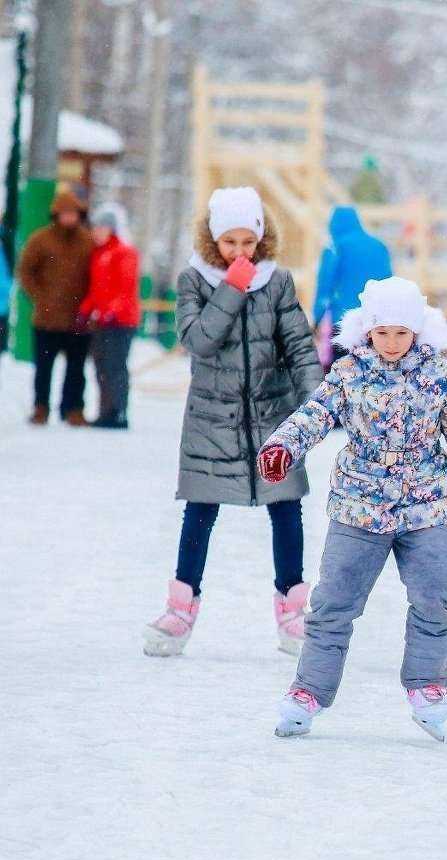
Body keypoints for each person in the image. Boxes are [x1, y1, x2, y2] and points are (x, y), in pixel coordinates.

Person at [259, 277, 447, 741]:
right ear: (368, 331)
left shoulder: (438, 375)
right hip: (359, 507)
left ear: (418, 331)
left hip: (424, 508)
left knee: (436, 594)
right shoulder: (349, 371)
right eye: (384, 333)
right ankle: (309, 692)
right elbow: (315, 414)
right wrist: (283, 446)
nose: (393, 343)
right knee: (334, 601)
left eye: (403, 333)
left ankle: (426, 686)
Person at [142, 187, 321, 658]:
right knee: (200, 510)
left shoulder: (278, 282)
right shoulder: (193, 280)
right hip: (211, 419)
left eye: (248, 242)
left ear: (261, 239)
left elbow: (299, 346)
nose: (240, 252)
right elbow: (197, 341)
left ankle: (292, 610)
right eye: (230, 242)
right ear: (212, 240)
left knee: (286, 508)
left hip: (272, 414)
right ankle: (180, 611)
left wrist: (316, 403)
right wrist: (232, 288)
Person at [17, 188, 93, 425]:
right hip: (46, 319)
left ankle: (73, 409)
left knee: (76, 369)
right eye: (64, 213)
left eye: (73, 213)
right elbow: (26, 271)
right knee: (44, 368)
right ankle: (41, 407)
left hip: (78, 319)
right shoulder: (40, 239)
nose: (69, 218)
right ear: (56, 214)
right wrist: (41, 299)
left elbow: (96, 275)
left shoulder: (87, 241)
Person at [79, 203, 141, 429]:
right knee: (101, 366)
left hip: (120, 322)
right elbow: (97, 290)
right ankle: (106, 410)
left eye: (101, 227)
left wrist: (112, 311)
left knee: (115, 366)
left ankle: (119, 412)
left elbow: (126, 288)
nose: (96, 232)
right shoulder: (99, 254)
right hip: (103, 321)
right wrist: (86, 310)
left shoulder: (124, 253)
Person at [312, 205, 392, 370]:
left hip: (343, 323)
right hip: (375, 323)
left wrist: (317, 318)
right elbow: (390, 284)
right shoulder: (379, 246)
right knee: (372, 373)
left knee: (342, 374)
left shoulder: (336, 248)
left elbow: (325, 286)